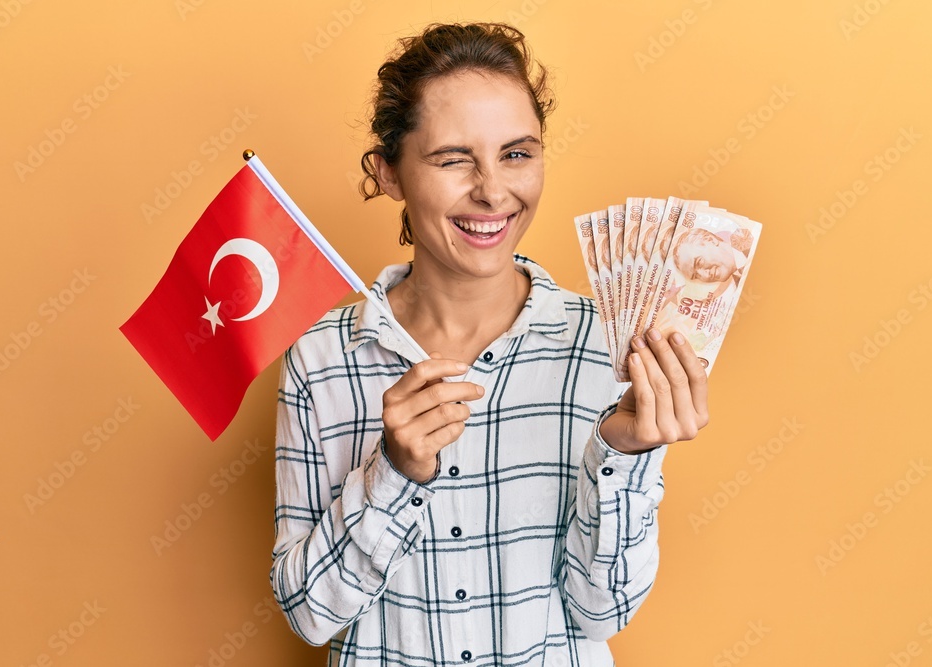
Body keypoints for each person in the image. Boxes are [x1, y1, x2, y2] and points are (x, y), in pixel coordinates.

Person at [270, 22, 710, 666]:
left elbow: (602, 611)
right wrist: (392, 475)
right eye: (453, 159)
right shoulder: (320, 359)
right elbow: (308, 613)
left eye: (516, 153)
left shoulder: (609, 344)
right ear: (387, 172)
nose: (493, 191)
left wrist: (623, 452)